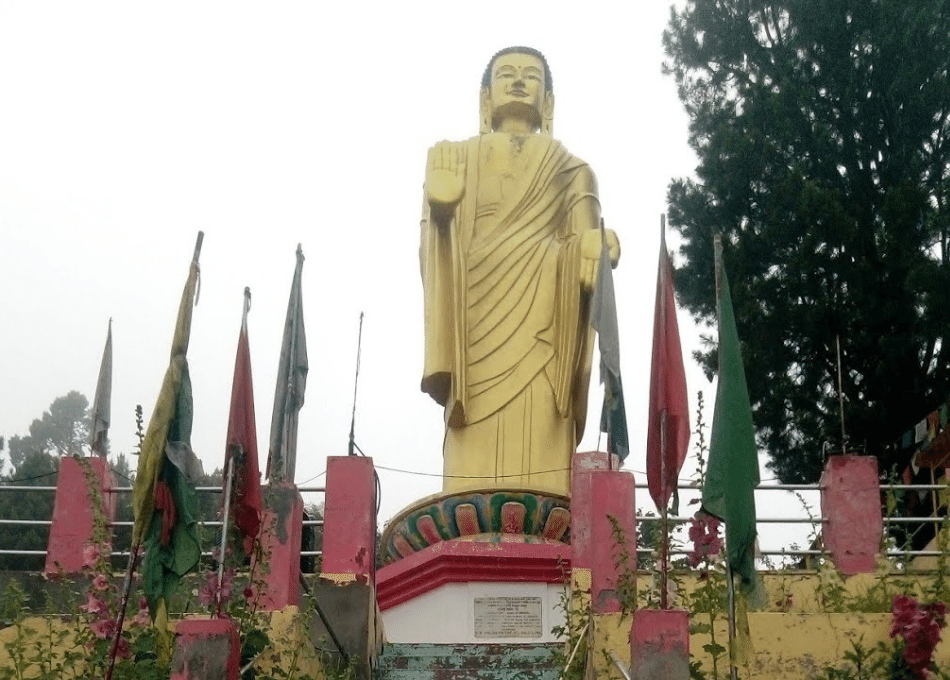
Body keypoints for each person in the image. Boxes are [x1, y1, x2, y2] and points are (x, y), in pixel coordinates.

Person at [420, 46, 620, 496]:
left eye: (530, 76)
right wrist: (441, 212)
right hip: (475, 313)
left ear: (548, 101)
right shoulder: (456, 156)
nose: (517, 81)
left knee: (541, 424)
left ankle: (547, 502)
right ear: (485, 97)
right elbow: (434, 249)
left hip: (547, 316)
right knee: (469, 460)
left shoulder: (573, 170)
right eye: (505, 74)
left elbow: (584, 240)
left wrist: (595, 248)